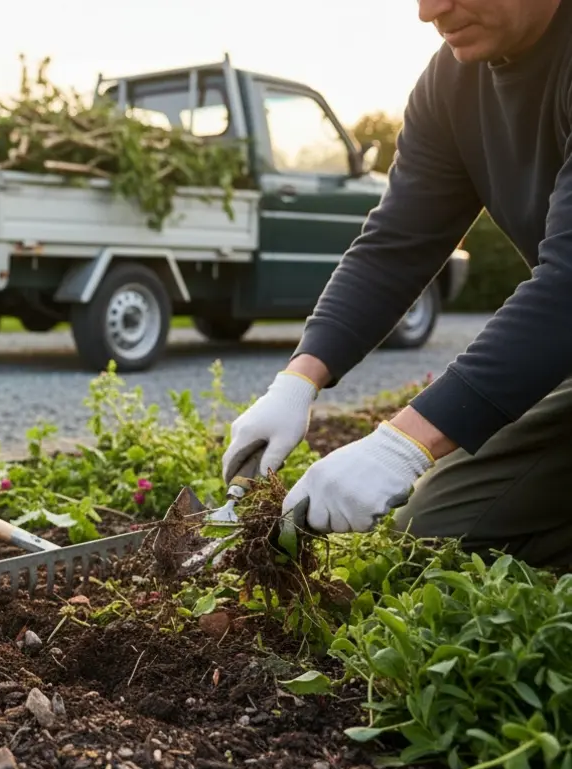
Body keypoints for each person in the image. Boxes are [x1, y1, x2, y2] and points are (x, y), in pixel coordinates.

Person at [220, 0, 572, 567]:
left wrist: (403, 443)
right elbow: (395, 246)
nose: (429, 10)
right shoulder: (451, 82)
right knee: (438, 531)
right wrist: (298, 380)